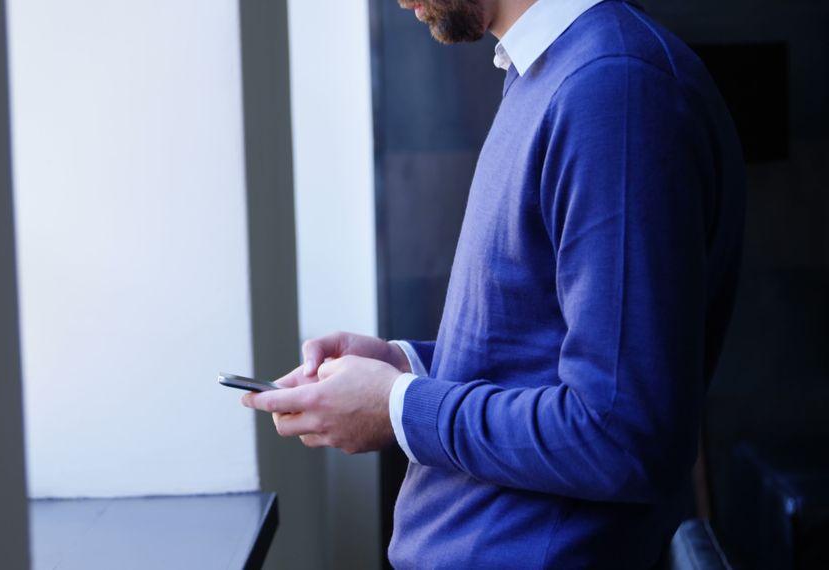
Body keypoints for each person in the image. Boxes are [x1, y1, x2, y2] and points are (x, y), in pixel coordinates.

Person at [241, 0, 745, 567]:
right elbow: (542, 355)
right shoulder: (552, 73)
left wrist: (398, 407)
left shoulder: (615, 89)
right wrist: (406, 367)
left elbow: (620, 433)